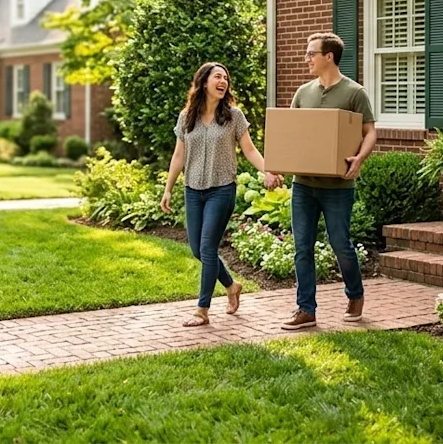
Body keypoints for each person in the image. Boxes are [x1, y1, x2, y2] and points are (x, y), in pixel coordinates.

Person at [269, 32, 377, 330]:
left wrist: (359, 159)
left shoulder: (354, 93)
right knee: (302, 247)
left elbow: (370, 132)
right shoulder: (303, 93)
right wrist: (276, 166)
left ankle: (355, 294)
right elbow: (291, 132)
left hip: (338, 187)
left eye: (311, 54)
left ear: (329, 56)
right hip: (303, 184)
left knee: (340, 244)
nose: (307, 59)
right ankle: (306, 310)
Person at [161, 62, 279, 327]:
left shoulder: (233, 116)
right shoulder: (187, 116)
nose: (223, 81)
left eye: (226, 77)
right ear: (204, 82)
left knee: (207, 247)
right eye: (217, 76)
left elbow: (249, 149)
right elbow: (179, 155)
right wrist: (168, 189)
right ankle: (231, 284)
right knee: (197, 250)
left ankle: (202, 310)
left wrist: (267, 171)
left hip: (222, 188)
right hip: (193, 189)